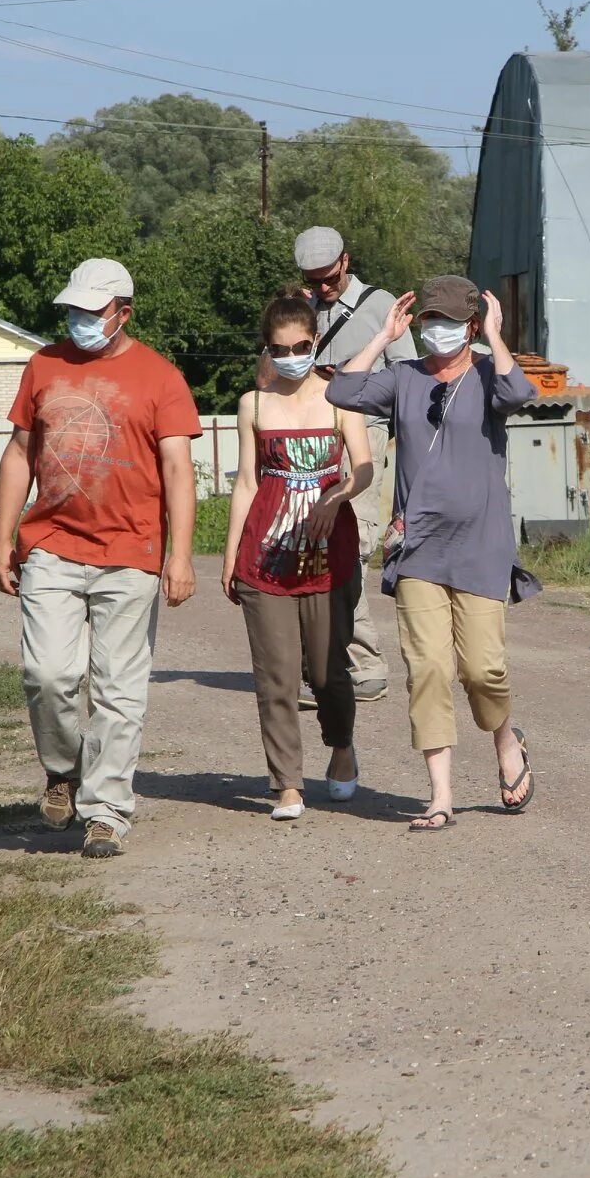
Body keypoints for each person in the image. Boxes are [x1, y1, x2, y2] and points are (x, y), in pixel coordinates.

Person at [0, 257, 200, 858]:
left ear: (123, 313)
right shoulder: (44, 365)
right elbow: (18, 454)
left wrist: (179, 556)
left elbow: (179, 472)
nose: (81, 320)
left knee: (118, 691)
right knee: (48, 675)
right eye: (74, 311)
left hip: (131, 552)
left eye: (94, 311)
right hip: (52, 546)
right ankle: (63, 769)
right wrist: (2, 538)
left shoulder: (160, 377)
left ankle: (106, 811)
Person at [326, 275, 537, 832]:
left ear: (470, 326)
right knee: (429, 669)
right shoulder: (402, 379)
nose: (437, 332)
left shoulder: (492, 375)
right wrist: (380, 336)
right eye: (429, 322)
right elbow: (341, 392)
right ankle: (440, 795)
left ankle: (504, 737)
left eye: (449, 322)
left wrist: (495, 336)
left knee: (482, 669)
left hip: (481, 548)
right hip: (418, 549)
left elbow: (520, 395)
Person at [221, 292, 373, 821]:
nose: (292, 355)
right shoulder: (253, 405)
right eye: (280, 348)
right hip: (267, 558)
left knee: (330, 672)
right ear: (268, 349)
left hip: (331, 558)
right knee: (277, 674)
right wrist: (230, 554)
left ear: (315, 340)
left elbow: (365, 467)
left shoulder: (340, 398)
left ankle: (342, 745)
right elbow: (245, 483)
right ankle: (287, 783)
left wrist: (338, 495)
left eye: (302, 345)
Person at [290, 226, 417, 705]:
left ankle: (362, 663)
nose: (322, 288)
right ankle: (322, 666)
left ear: (346, 261)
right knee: (310, 546)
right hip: (308, 437)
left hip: (365, 432)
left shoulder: (381, 305)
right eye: (312, 280)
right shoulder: (305, 307)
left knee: (352, 544)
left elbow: (408, 379)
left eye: (328, 279)